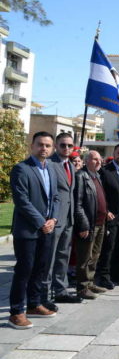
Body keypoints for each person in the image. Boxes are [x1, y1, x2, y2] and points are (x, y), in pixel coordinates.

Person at [8, 131, 60, 329]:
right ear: (32, 146)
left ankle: (34, 304)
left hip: (47, 229)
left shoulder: (51, 169)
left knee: (40, 268)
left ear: (52, 148)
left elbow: (56, 197)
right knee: (24, 270)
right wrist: (41, 222)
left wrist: (53, 219)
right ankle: (16, 312)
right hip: (28, 230)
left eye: (47, 145)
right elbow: (22, 200)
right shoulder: (21, 169)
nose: (43, 148)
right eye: (40, 144)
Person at [44, 133, 81, 306]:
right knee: (49, 258)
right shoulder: (49, 164)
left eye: (69, 145)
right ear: (56, 146)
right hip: (54, 219)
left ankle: (61, 290)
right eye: (63, 145)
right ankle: (45, 294)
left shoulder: (70, 166)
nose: (66, 148)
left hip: (68, 219)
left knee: (63, 256)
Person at [73, 151, 110, 300]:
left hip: (100, 222)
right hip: (89, 224)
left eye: (99, 159)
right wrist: (83, 225)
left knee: (95, 255)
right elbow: (78, 203)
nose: (98, 162)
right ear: (86, 161)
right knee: (84, 256)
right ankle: (82, 287)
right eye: (94, 159)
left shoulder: (97, 176)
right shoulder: (81, 176)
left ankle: (90, 282)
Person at [96, 144, 119, 289]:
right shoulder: (105, 171)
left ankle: (117, 274)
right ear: (114, 153)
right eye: (118, 153)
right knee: (108, 247)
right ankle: (104, 276)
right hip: (111, 216)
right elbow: (100, 193)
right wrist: (106, 210)